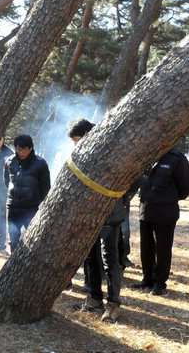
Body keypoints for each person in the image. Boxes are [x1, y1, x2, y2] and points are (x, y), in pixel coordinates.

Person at [67, 119, 126, 323]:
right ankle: (94, 298)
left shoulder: (114, 151)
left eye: (78, 140)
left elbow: (136, 180)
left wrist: (119, 200)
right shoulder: (83, 154)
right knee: (91, 258)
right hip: (89, 217)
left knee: (109, 259)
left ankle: (113, 303)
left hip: (110, 216)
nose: (76, 145)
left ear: (88, 134)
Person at [129, 149, 189, 295]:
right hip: (146, 209)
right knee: (146, 247)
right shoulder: (147, 155)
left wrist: (168, 197)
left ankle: (159, 283)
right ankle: (147, 279)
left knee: (162, 249)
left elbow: (185, 187)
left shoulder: (176, 159)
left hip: (165, 211)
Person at [4, 134, 51, 252]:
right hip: (13, 207)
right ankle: (12, 265)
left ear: (30, 148)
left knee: (33, 238)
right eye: (18, 149)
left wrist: (37, 201)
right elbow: (6, 180)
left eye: (24, 149)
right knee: (13, 240)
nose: (21, 152)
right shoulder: (10, 161)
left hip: (31, 208)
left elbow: (45, 186)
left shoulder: (40, 163)